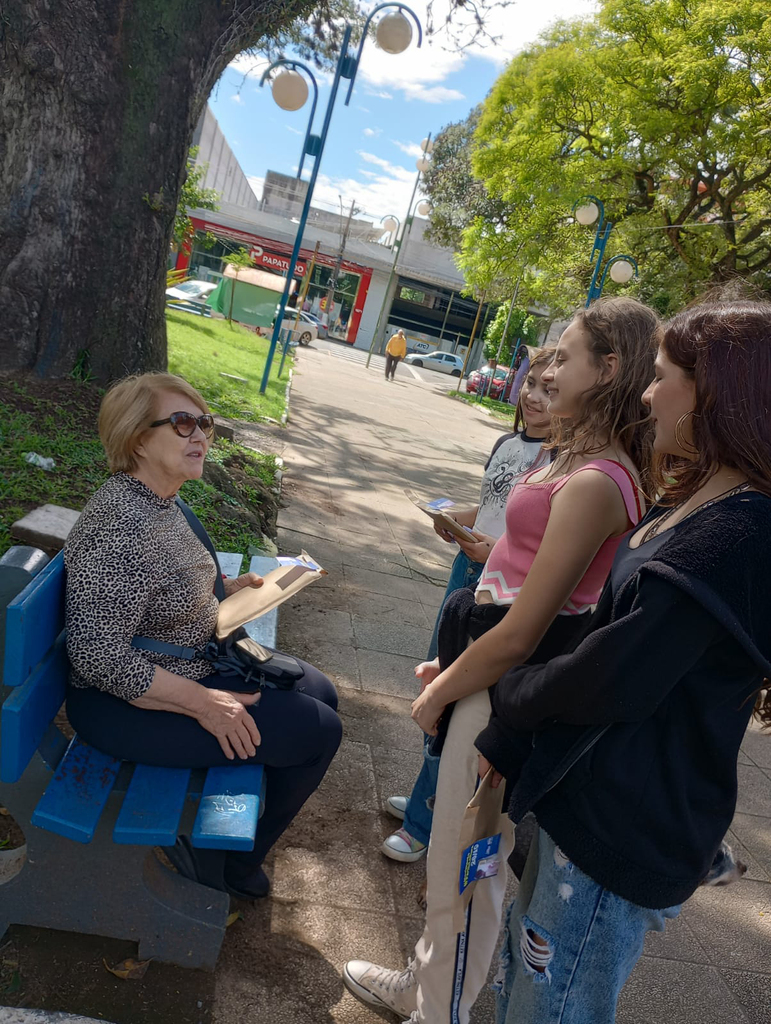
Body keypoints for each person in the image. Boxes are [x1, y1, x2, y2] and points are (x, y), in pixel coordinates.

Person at [344, 296, 659, 1023]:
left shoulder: (596, 479)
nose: (547, 363)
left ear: (607, 370)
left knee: (465, 863)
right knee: (461, 860)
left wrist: (441, 689)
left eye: (566, 353)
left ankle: (436, 1010)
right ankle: (430, 987)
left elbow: (525, 630)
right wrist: (490, 560)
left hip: (502, 690)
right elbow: (539, 576)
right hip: (492, 675)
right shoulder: (572, 458)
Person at [482, 299, 771, 1024]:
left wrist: (510, 695)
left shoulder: (739, 533)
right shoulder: (703, 499)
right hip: (582, 798)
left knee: (549, 1009)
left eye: (666, 375)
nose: (647, 389)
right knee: (522, 983)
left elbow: (611, 672)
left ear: (720, 395)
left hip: (621, 830)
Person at [64, 372, 342, 900]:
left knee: (321, 692)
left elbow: (156, 591)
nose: (201, 436)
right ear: (138, 438)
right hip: (116, 705)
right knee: (318, 732)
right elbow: (97, 655)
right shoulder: (121, 525)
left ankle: (230, 848)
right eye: (183, 423)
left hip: (182, 661)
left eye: (205, 424)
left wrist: (229, 588)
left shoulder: (158, 501)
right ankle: (225, 863)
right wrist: (204, 704)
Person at [382, 347, 555, 864]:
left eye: (551, 387)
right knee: (435, 683)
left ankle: (422, 824)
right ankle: (424, 802)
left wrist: (491, 550)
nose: (536, 396)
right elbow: (495, 503)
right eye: (531, 383)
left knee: (453, 698)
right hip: (468, 572)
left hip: (502, 587)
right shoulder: (509, 442)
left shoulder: (564, 463)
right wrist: (455, 515)